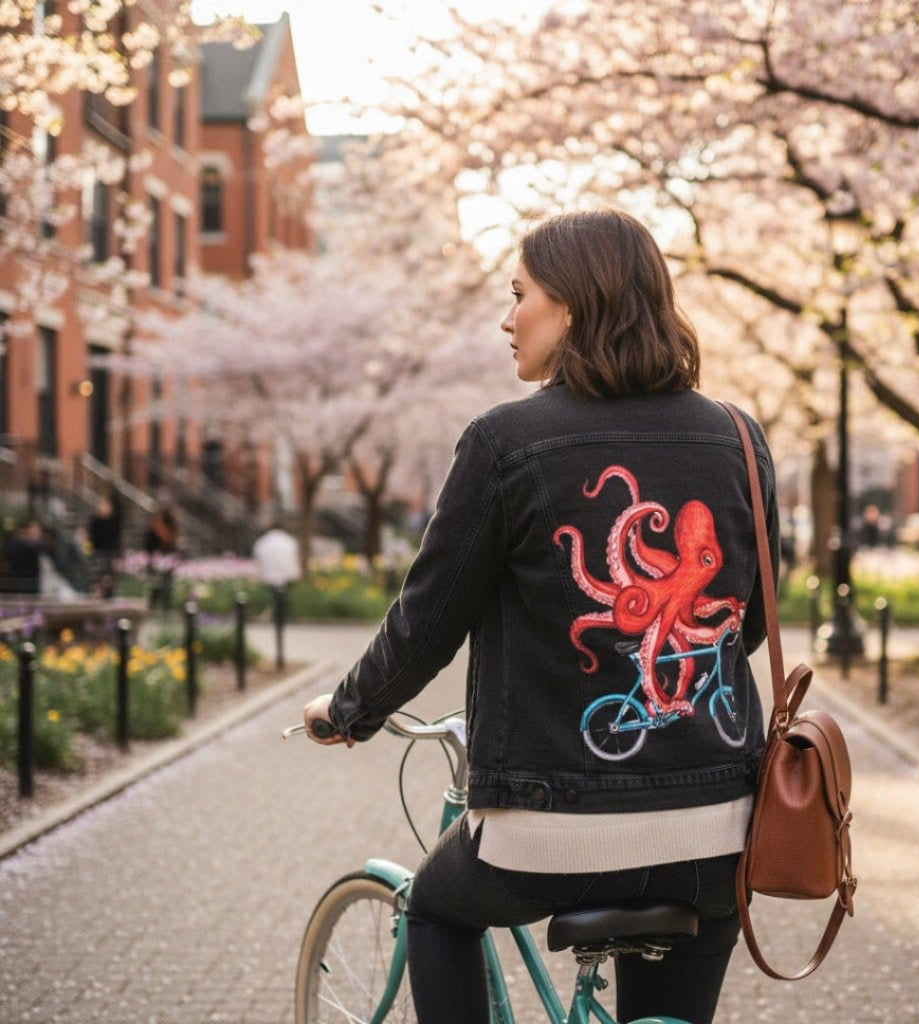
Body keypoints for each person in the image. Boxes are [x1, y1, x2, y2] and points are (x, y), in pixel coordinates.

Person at [303, 209, 778, 1024]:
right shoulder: (738, 436)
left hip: (551, 831)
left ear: (573, 307)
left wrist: (349, 710)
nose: (506, 316)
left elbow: (426, 624)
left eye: (521, 294)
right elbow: (747, 623)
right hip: (716, 829)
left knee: (432, 909)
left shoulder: (503, 442)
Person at [87, 494, 121, 597]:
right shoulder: (95, 521)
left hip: (110, 552)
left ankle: (109, 594)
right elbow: (92, 537)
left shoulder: (114, 521)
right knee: (98, 575)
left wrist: (117, 554)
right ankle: (97, 593)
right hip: (97, 552)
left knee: (108, 577)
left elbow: (116, 538)